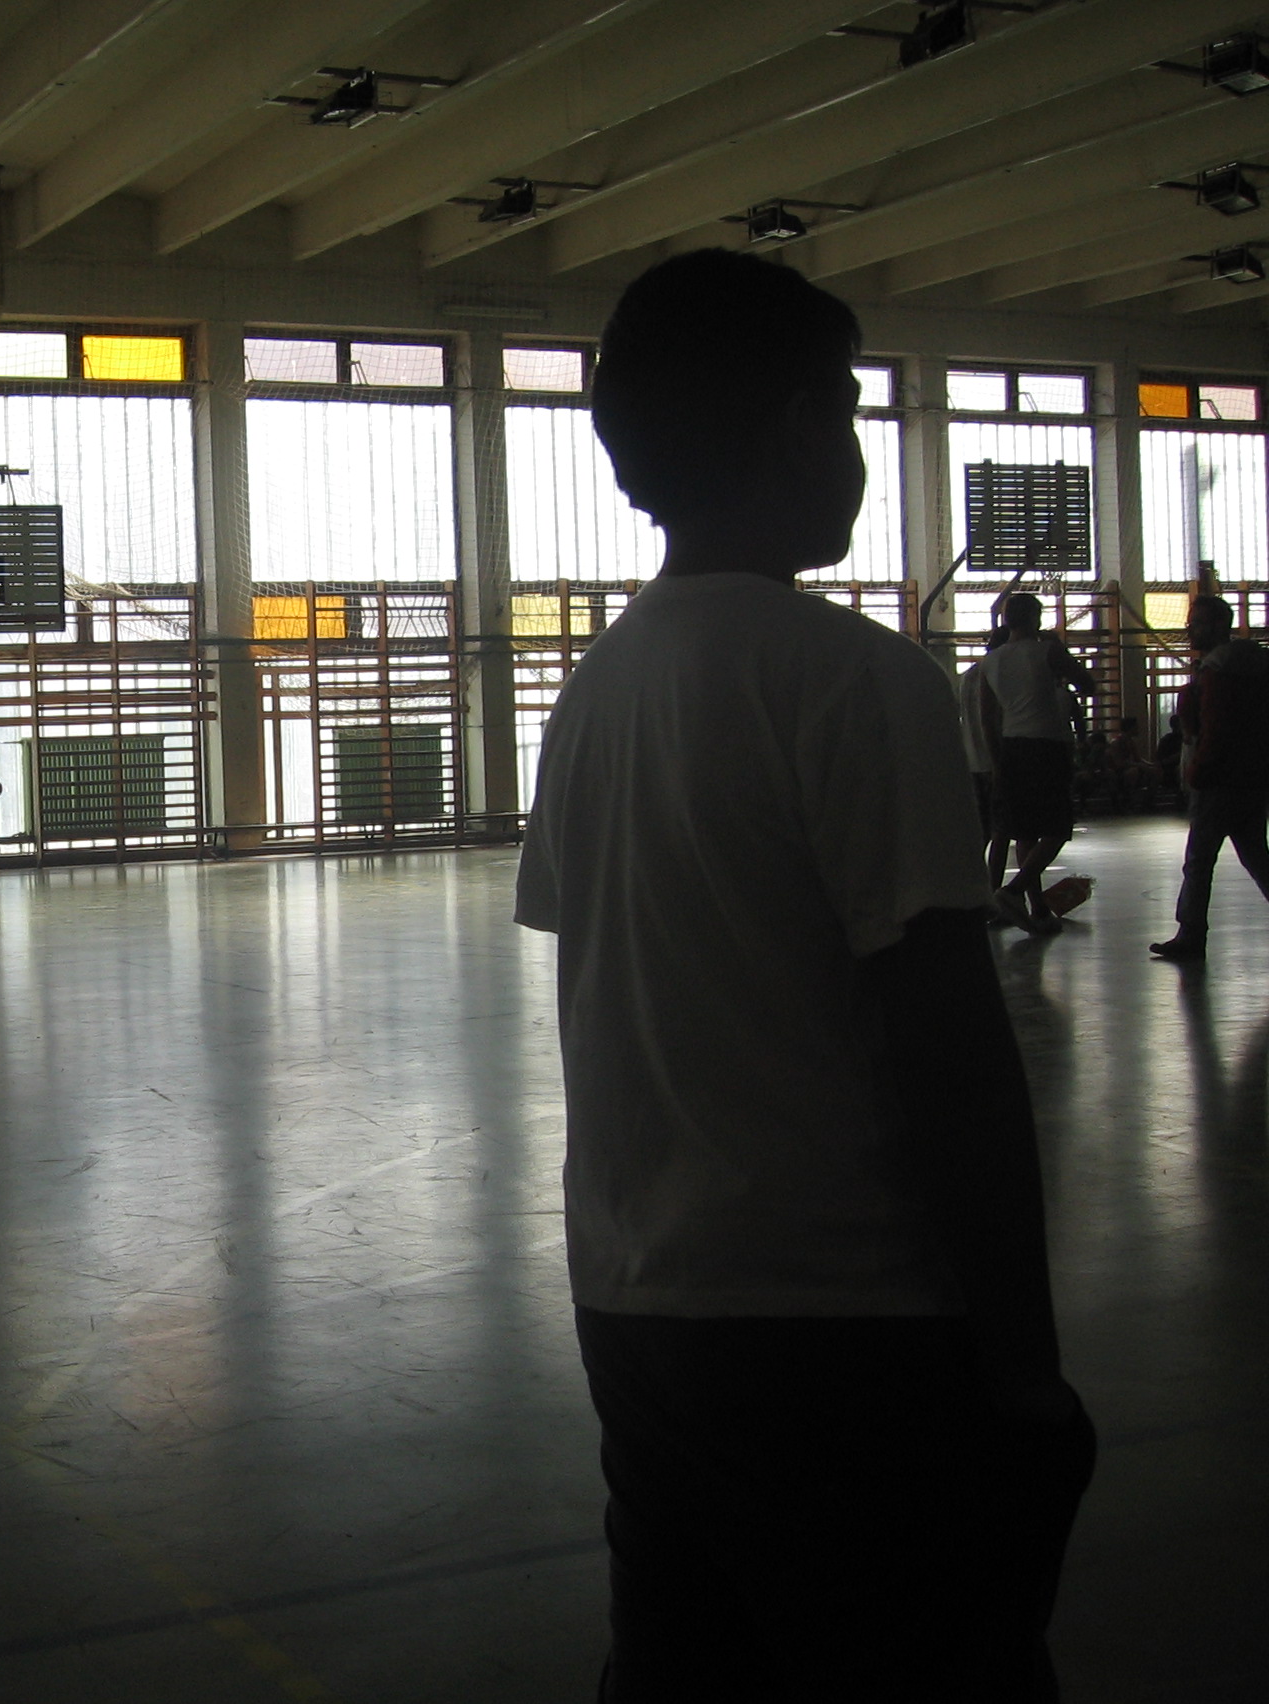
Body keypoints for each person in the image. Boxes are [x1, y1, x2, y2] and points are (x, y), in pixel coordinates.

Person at [515, 250, 1092, 1702]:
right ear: (792, 426)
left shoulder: (594, 690)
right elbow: (950, 1052)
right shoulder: (858, 679)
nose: (853, 447)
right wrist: (1025, 1371)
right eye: (843, 408)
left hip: (637, 1306)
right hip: (844, 1322)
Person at [1150, 595, 1269, 960]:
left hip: (1218, 779)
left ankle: (1190, 934)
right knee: (1256, 854)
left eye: (1196, 623)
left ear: (1218, 626)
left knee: (1199, 860)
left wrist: (1198, 769)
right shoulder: (1257, 666)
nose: (1190, 630)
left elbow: (1215, 728)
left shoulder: (1217, 671)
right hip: (1254, 775)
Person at [979, 593, 1095, 934]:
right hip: (1046, 745)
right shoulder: (1047, 651)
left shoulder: (991, 662)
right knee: (1057, 829)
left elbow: (988, 720)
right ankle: (1014, 891)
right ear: (1035, 618)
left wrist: (997, 762)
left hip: (1011, 747)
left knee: (1025, 831)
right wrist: (1060, 651)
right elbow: (1088, 685)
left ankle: (1039, 908)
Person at [958, 627, 1012, 884]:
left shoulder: (968, 675)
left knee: (981, 830)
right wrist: (999, 761)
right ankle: (994, 885)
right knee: (1001, 828)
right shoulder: (998, 673)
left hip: (972, 761)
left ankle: (968, 881)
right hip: (994, 760)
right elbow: (991, 722)